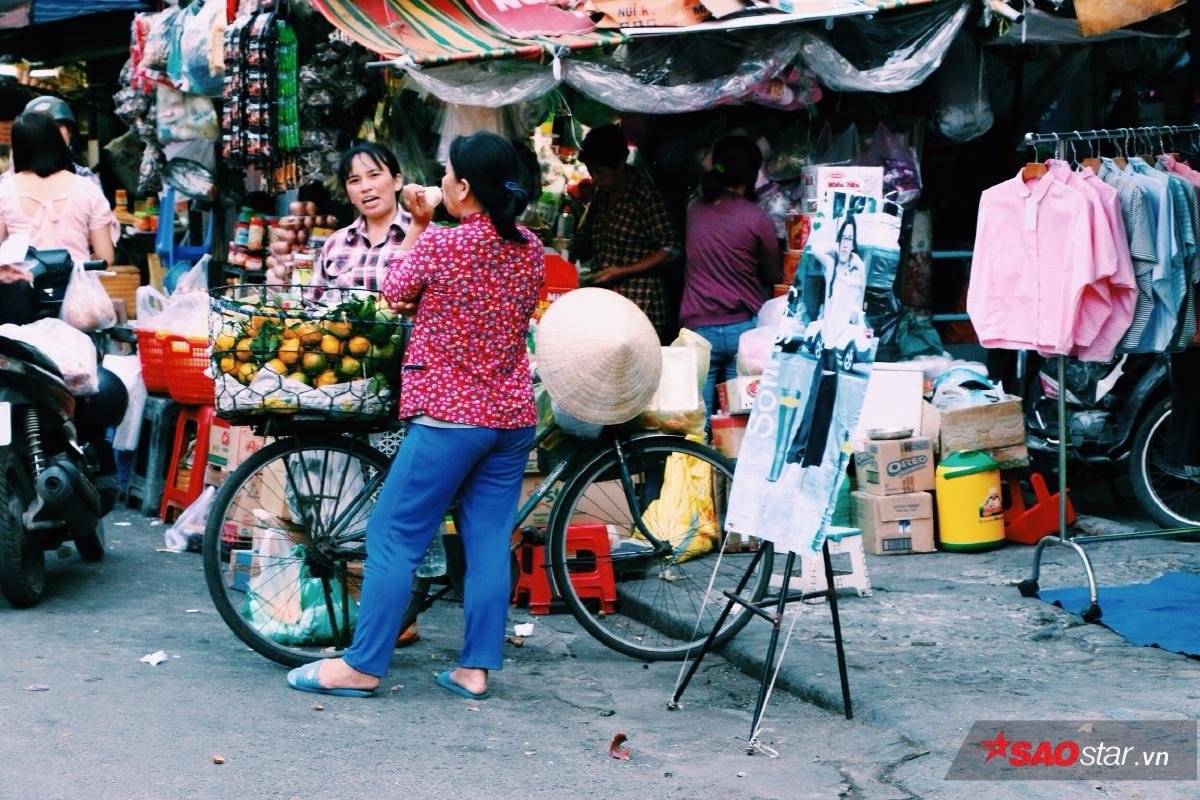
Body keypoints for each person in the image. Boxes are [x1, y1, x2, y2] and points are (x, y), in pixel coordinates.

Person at [286, 131, 544, 700]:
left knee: (392, 536)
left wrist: (424, 226)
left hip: (450, 417)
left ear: (465, 187)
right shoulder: (530, 248)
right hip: (509, 415)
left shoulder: (443, 243)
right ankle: (474, 669)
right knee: (486, 542)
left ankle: (362, 664)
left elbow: (394, 288)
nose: (442, 181)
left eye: (449, 173)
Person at [679, 135, 781, 416]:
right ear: (753, 174)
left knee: (697, 420)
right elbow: (774, 274)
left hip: (699, 330)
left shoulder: (693, 210)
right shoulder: (757, 218)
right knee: (737, 418)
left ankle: (697, 460)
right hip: (743, 331)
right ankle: (728, 462)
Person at [574, 124, 680, 343]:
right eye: (592, 171)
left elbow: (671, 249)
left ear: (621, 163)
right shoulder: (602, 195)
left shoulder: (644, 196)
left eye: (600, 172)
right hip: (608, 305)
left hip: (641, 305)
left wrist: (621, 271)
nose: (595, 178)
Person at [0, 111, 116, 267]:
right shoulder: (87, 188)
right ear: (57, 143)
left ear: (17, 148)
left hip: (25, 287)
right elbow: (105, 257)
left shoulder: (5, 190)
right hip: (79, 287)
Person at [310, 141, 411, 291]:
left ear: (397, 181)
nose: (365, 187)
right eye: (354, 180)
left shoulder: (427, 235)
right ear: (349, 195)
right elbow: (311, 303)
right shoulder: (335, 243)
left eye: (374, 175)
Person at [2, 96, 100, 186]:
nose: (49, 134)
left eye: (56, 127)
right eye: (41, 128)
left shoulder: (85, 179)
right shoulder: (6, 183)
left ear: (70, 132)